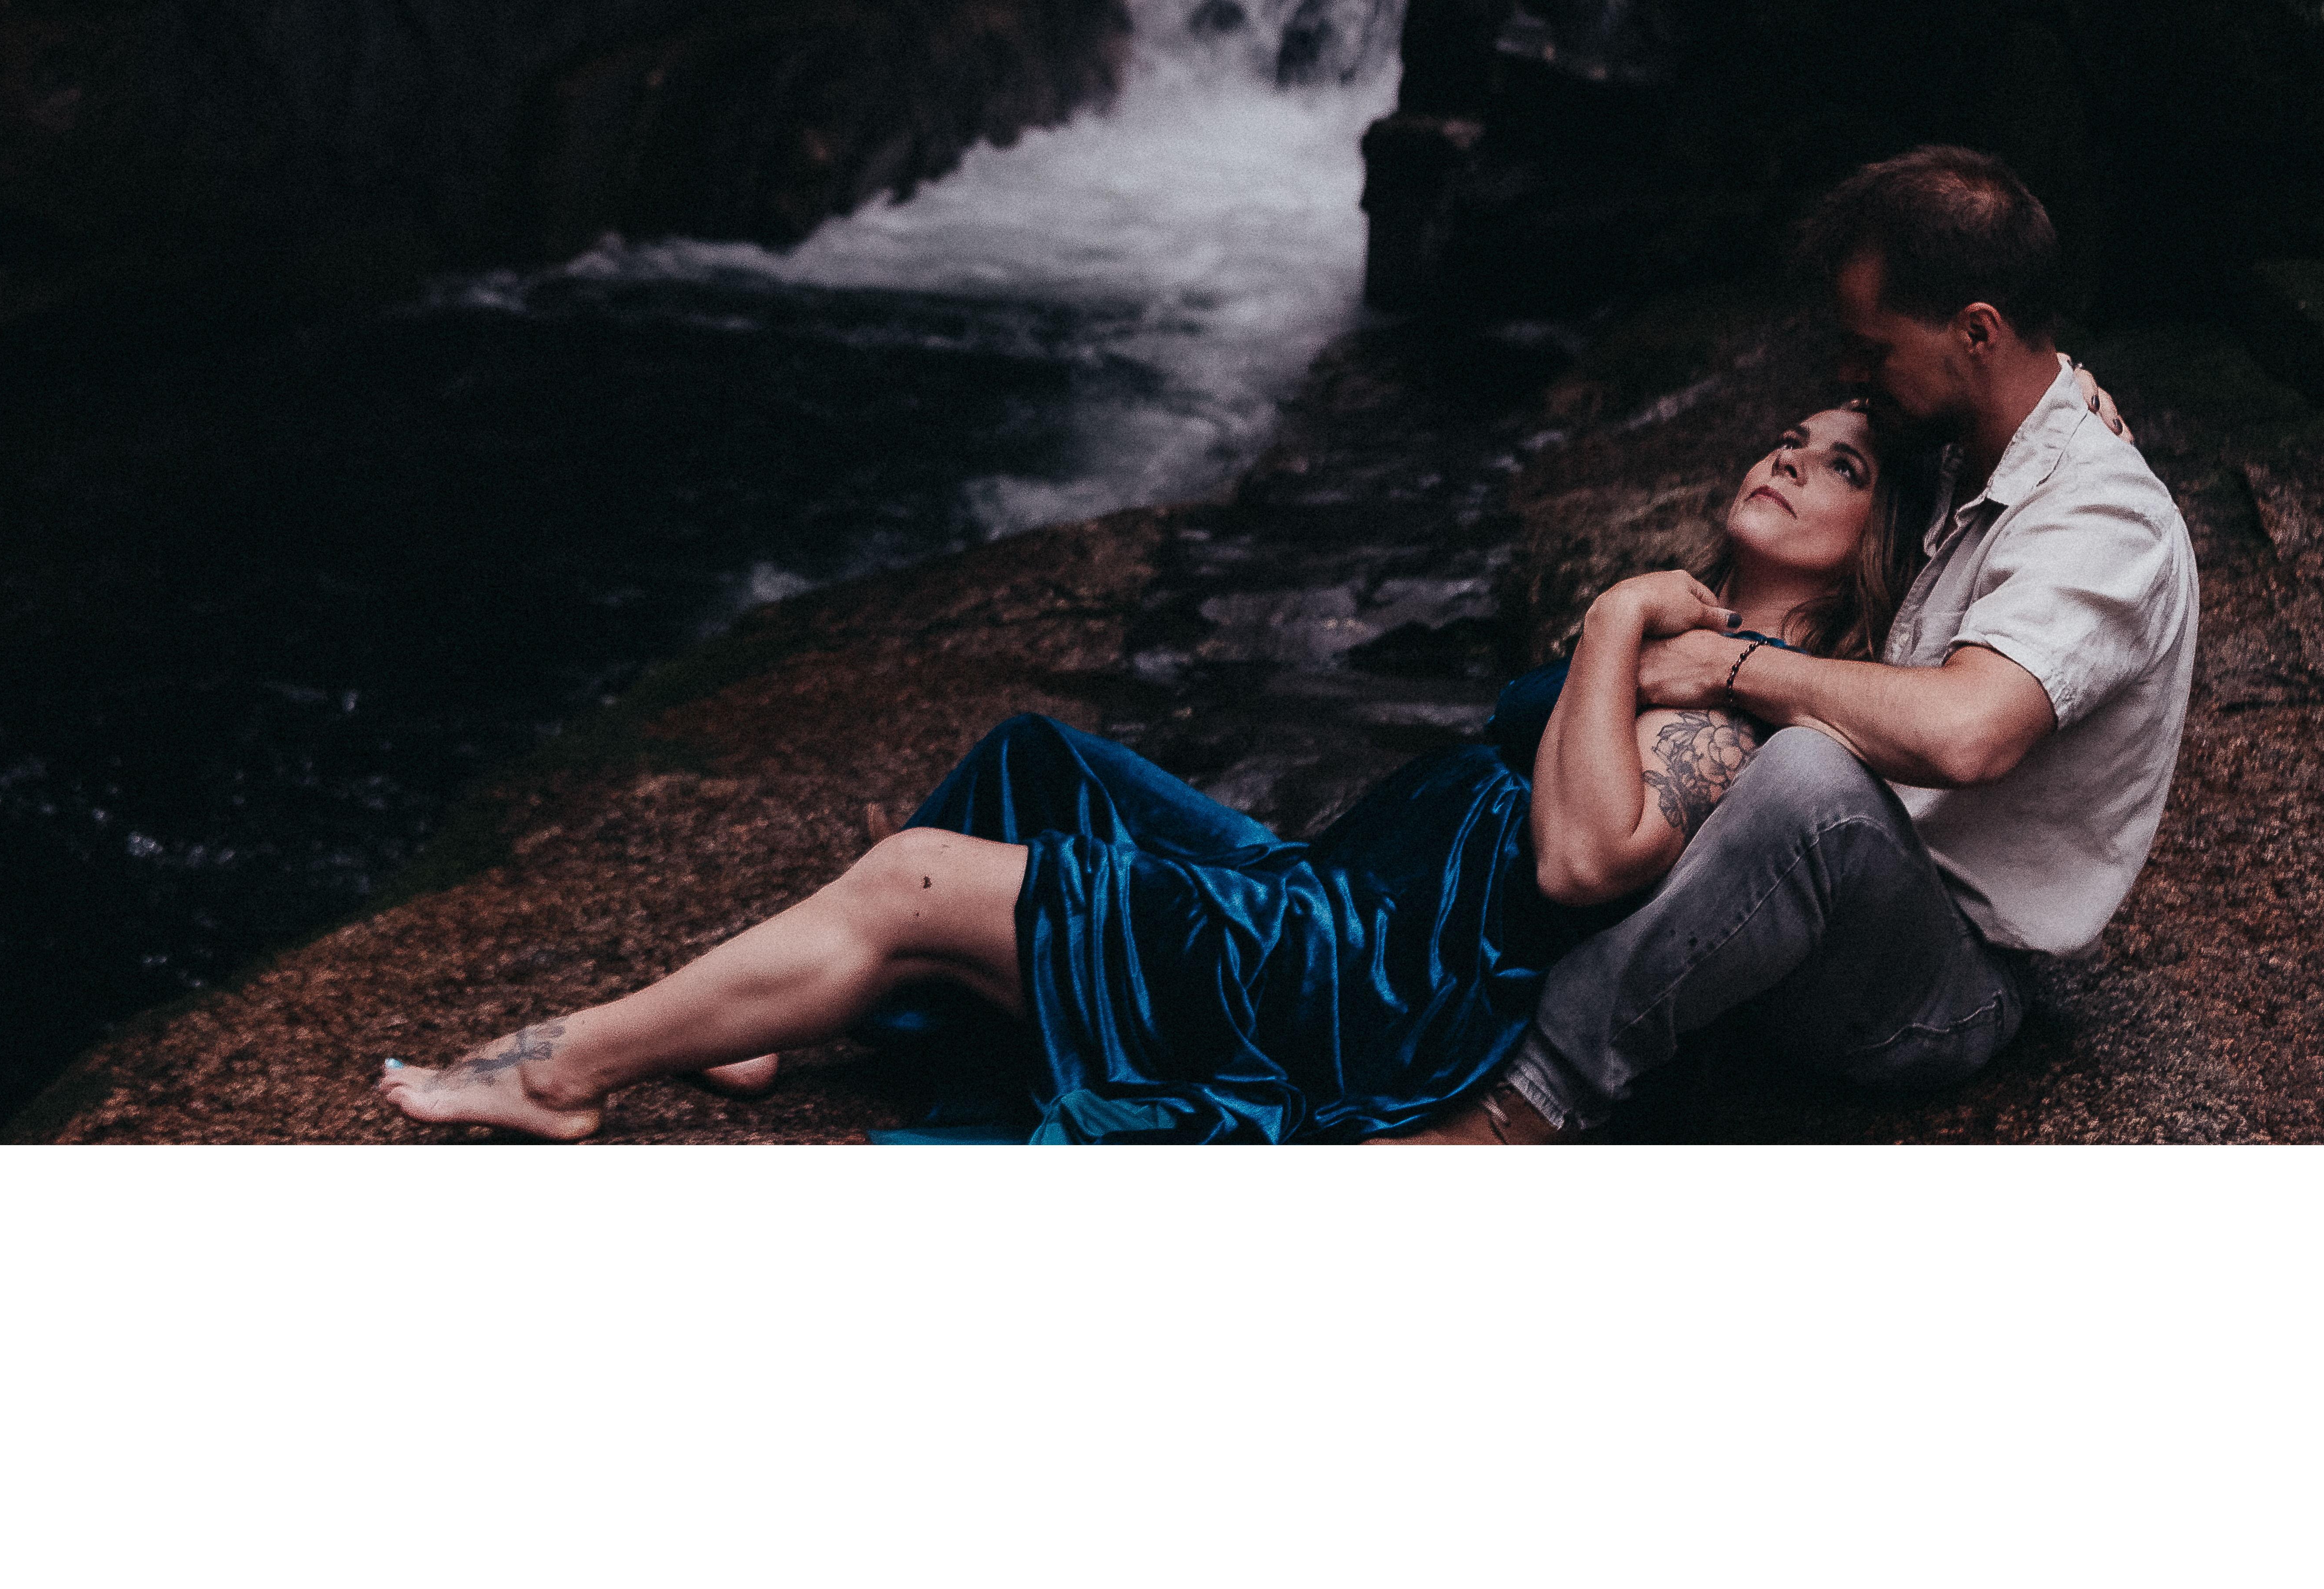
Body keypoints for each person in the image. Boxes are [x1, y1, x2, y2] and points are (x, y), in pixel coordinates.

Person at [373, 397, 1931, 1144]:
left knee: (923, 875)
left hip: (1357, 980)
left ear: (1875, 554)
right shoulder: (1696, 632)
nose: (1792, 454)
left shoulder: (1734, 709)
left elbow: (1586, 861)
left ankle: (562, 1072)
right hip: (1328, 891)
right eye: (1792, 433)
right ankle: (783, 1017)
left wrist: (1606, 618)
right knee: (1036, 761)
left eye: (1841, 465)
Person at [1384, 142, 2198, 1144]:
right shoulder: (1963, 439)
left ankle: (1527, 1103)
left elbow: (1968, 734)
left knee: (1809, 777)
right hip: (1788, 899)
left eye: (1871, 348)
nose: (1848, 374)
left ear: (1977, 332)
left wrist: (1732, 665)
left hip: (1940, 982)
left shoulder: (2103, 516)